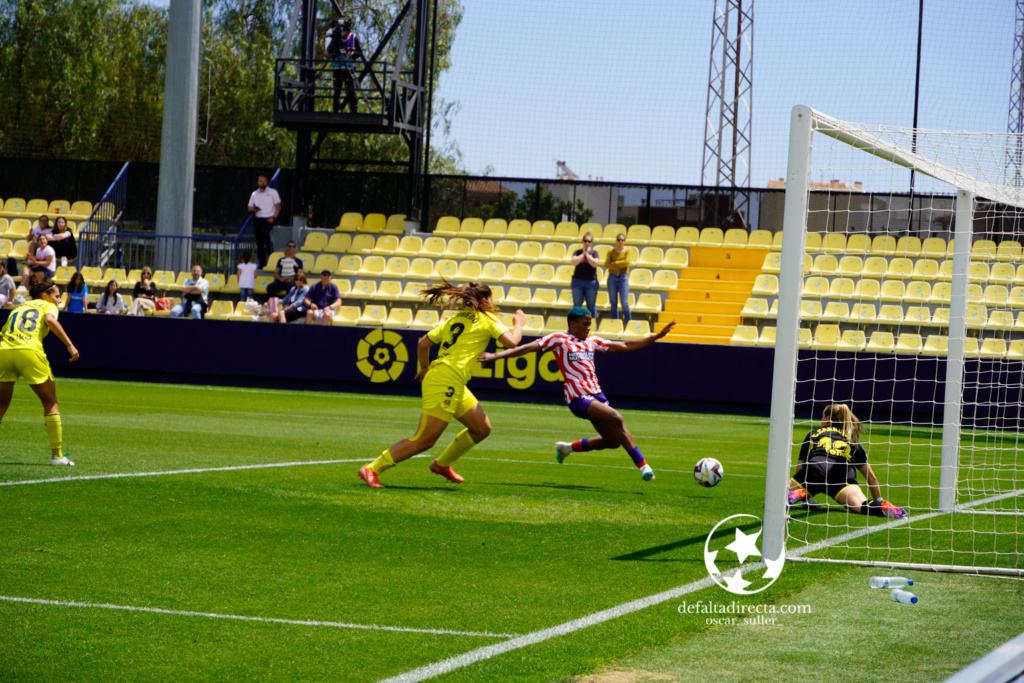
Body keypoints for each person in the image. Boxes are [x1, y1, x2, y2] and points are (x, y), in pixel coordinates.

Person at [358, 282, 527, 489]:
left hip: (450, 380)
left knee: (481, 429)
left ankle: (442, 464)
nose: (493, 303)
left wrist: (424, 368)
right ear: (485, 301)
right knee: (424, 440)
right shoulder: (487, 319)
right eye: (492, 299)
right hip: (446, 380)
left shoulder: (456, 319)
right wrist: (519, 322)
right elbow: (512, 342)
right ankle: (373, 468)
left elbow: (422, 343)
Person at [479, 308, 676, 482]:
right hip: (578, 398)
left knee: (613, 441)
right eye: (585, 324)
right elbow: (526, 348)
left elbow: (625, 346)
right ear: (572, 324)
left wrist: (655, 337)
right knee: (616, 417)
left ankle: (567, 448)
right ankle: (644, 466)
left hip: (597, 396)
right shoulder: (559, 339)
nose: (588, 328)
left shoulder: (592, 341)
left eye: (590, 324)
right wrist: (495, 356)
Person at [0, 277, 80, 466]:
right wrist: (70, 345)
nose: (59, 300)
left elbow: (2, 336)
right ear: (45, 296)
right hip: (29, 351)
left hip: (5, 351)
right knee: (50, 400)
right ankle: (57, 456)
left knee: (1, 403)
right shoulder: (47, 305)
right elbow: (50, 320)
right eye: (57, 296)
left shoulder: (19, 308)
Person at [787, 403, 908, 519]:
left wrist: (804, 495)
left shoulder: (814, 433)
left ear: (828, 419)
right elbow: (871, 477)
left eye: (822, 416)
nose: (821, 419)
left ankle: (800, 493)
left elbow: (800, 469)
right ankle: (882, 507)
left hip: (815, 470)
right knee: (860, 505)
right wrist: (879, 499)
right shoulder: (852, 439)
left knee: (774, 502)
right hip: (841, 475)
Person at [328, 17, 362, 113]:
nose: (341, 33)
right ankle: (336, 111)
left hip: (349, 68)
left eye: (343, 31)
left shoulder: (353, 37)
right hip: (337, 68)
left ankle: (355, 112)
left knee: (352, 91)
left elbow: (359, 53)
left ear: (347, 30)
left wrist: (352, 53)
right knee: (337, 91)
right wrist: (328, 53)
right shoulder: (335, 39)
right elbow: (329, 50)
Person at [247, 175, 281, 269]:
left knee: (264, 233)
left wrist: (274, 217)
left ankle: (269, 244)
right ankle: (262, 263)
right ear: (258, 182)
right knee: (259, 242)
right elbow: (249, 208)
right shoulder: (254, 194)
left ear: (267, 182)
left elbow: (278, 206)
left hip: (269, 218)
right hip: (258, 218)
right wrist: (254, 209)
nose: (262, 182)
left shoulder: (273, 192)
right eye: (261, 181)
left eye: (264, 181)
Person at [570, 233, 601, 318]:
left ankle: (591, 324)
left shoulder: (594, 253)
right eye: (585, 241)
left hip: (591, 282)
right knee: (577, 305)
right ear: (582, 242)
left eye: (589, 241)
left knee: (591, 305)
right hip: (578, 281)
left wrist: (587, 255)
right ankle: (576, 324)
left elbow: (595, 264)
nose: (587, 243)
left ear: (591, 242)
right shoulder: (577, 252)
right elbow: (573, 262)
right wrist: (583, 254)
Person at [605, 233, 631, 322]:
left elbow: (627, 262)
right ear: (616, 241)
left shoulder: (628, 251)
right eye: (619, 239)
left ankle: (628, 322)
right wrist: (620, 264)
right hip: (612, 277)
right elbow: (607, 264)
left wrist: (614, 263)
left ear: (625, 241)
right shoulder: (611, 251)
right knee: (613, 302)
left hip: (623, 277)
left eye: (622, 240)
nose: (620, 241)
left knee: (624, 302)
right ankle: (615, 322)